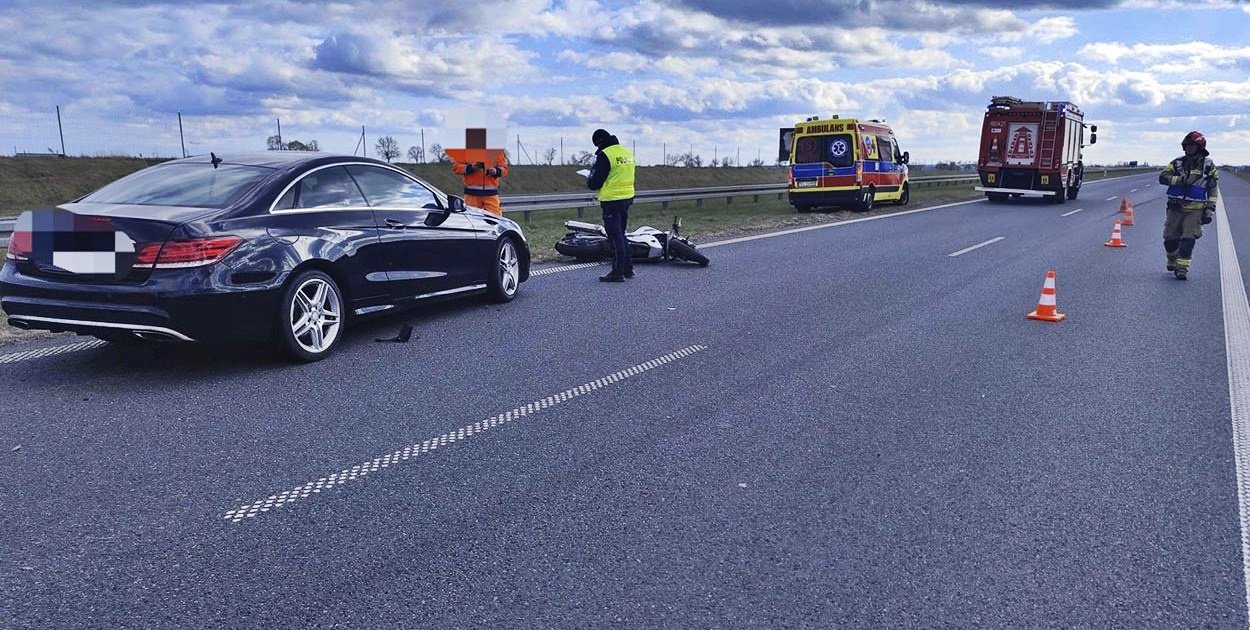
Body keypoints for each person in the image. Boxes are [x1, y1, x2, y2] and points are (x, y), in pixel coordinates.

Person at [1159, 131, 1219, 280]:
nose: (1189, 149)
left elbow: (1213, 187)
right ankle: (1172, 259)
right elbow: (1163, 177)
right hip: (1175, 208)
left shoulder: (1208, 165)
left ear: (1199, 147)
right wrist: (1180, 180)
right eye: (1187, 146)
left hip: (1195, 211)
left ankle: (1182, 269)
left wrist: (1211, 207)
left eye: (1192, 146)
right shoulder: (1177, 163)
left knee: (1188, 240)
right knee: (1170, 239)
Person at [586, 128, 636, 282]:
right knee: (621, 233)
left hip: (612, 200)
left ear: (599, 142)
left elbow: (594, 183)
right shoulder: (626, 152)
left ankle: (617, 272)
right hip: (627, 197)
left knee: (615, 236)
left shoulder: (606, 155)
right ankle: (628, 269)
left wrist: (589, 177)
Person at [453, 152, 509, 216]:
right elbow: (456, 168)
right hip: (472, 195)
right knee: (472, 219)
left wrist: (496, 171)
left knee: (495, 220)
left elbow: (505, 169)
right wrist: (471, 168)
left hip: (490, 194)